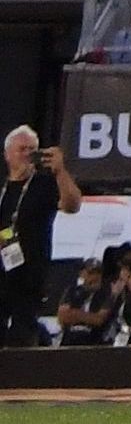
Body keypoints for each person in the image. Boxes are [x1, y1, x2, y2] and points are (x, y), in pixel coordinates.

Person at [0, 128, 64, 344]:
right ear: (8, 154)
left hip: (30, 275)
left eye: (32, 150)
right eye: (22, 149)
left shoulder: (44, 184)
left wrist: (60, 171)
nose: (27, 154)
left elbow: (72, 204)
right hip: (5, 266)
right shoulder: (4, 186)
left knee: (22, 334)